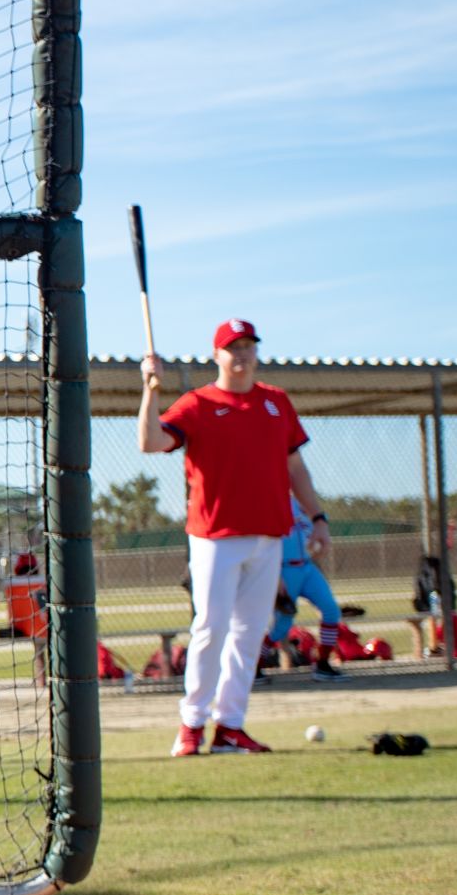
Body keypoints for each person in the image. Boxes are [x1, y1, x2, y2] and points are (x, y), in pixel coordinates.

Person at [139, 318, 328, 756]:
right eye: (232, 347)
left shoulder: (277, 402)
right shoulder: (198, 403)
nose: (241, 354)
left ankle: (230, 727)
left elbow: (295, 468)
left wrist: (319, 517)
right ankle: (191, 726)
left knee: (248, 635)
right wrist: (151, 389)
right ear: (217, 355)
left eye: (248, 346)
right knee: (210, 628)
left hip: (269, 537)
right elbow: (150, 442)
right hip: (215, 537)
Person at [265, 494, 345, 682]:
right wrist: (274, 574)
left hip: (308, 567)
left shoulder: (302, 503)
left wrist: (317, 546)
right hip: (283, 569)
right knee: (281, 623)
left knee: (331, 610)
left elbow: (311, 533)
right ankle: (253, 667)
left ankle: (323, 664)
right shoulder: (268, 501)